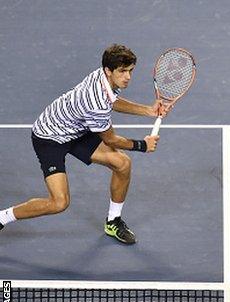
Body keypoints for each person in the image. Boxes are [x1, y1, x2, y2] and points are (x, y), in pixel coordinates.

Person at [0, 44, 170, 245]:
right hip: (50, 137)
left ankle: (113, 221)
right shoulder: (95, 102)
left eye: (130, 71)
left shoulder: (103, 77)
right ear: (108, 71)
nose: (128, 77)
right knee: (59, 202)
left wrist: (148, 111)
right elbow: (110, 139)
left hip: (77, 129)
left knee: (122, 164)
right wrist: (143, 145)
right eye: (122, 71)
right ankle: (3, 217)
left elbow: (112, 101)